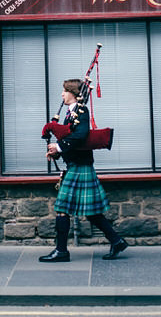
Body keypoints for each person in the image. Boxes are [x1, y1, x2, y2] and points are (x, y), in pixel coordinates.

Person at [39, 79, 128, 263]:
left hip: (80, 168)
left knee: (62, 208)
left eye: (64, 91)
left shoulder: (81, 111)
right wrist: (56, 152)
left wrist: (59, 147)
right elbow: (71, 140)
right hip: (77, 166)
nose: (62, 94)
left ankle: (61, 251)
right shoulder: (70, 113)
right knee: (92, 212)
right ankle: (117, 241)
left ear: (72, 93)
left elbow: (80, 136)